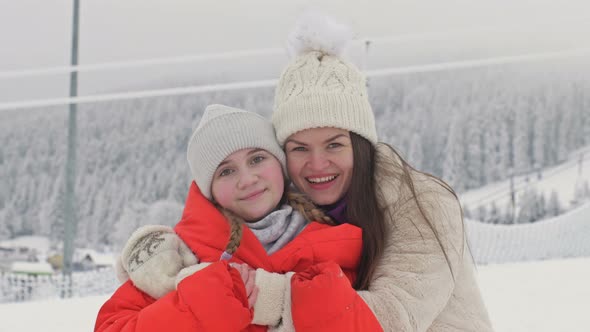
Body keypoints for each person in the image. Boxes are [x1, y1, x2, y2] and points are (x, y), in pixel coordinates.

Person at [267, 12, 494, 331]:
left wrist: (269, 297)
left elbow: (392, 318)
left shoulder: (423, 203)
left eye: (334, 145)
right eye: (300, 148)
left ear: (360, 145)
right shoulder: (284, 212)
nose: (317, 165)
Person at [94, 104, 381, 331]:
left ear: (280, 165)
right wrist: (198, 307)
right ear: (210, 191)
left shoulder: (340, 246)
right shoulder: (179, 256)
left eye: (257, 159)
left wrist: (300, 300)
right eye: (226, 171)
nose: (247, 179)